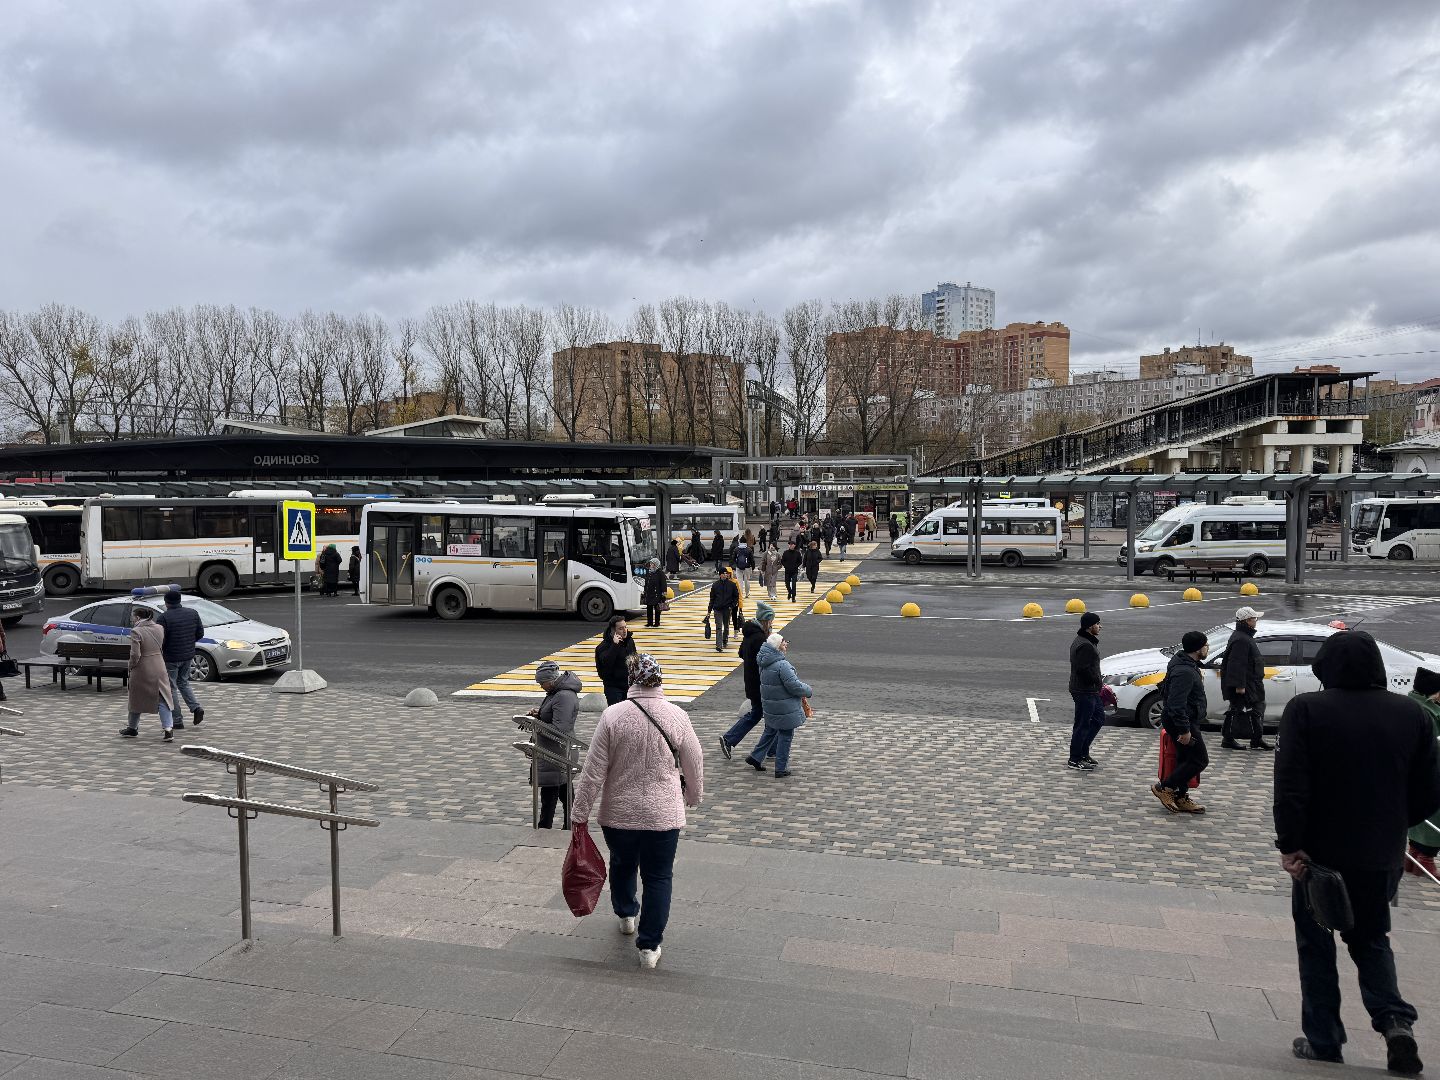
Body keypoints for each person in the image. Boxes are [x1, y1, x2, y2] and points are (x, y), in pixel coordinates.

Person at [1275, 631, 1440, 1074]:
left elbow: (1291, 787)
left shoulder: (1306, 710)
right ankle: (1395, 1024)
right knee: (1371, 940)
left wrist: (1290, 845)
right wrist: (1393, 825)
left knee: (1316, 944)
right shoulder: (1412, 714)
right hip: (1380, 853)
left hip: (1319, 855)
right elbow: (1428, 794)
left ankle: (1324, 1039)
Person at [571, 654, 703, 969]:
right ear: (659, 679)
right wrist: (694, 795)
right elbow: (694, 762)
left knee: (622, 863)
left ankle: (626, 912)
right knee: (659, 876)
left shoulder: (613, 716)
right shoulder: (677, 715)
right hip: (663, 816)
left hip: (619, 813)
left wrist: (580, 813)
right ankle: (649, 947)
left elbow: (593, 771)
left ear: (631, 678)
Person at [1150, 631, 1211, 813]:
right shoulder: (1184, 671)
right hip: (1181, 721)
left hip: (1184, 718)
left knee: (1185, 759)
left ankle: (1181, 796)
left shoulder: (1186, 663)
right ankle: (1165, 788)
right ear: (1198, 648)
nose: (1208, 648)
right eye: (1206, 645)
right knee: (1199, 760)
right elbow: (1177, 704)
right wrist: (1184, 730)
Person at [746, 632, 812, 779]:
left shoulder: (764, 663)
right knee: (786, 735)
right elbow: (794, 686)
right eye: (783, 643)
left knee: (770, 731)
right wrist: (808, 690)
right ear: (777, 647)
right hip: (784, 707)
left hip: (771, 705)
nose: (786, 644)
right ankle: (780, 768)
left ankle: (755, 757)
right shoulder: (782, 665)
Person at [719, 601, 775, 759]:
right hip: (759, 684)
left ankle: (771, 749)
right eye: (770, 621)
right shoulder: (759, 638)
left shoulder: (750, 634)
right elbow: (765, 661)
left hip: (751, 682)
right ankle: (729, 739)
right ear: (765, 621)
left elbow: (741, 653)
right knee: (769, 716)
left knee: (762, 714)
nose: (771, 624)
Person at [529, 660, 580, 829]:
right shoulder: (556, 693)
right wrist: (539, 715)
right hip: (556, 753)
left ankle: (547, 828)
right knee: (561, 793)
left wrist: (536, 725)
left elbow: (560, 729)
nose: (540, 686)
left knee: (552, 794)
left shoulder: (563, 696)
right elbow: (554, 718)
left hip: (557, 753)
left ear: (550, 680)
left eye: (541, 682)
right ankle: (568, 826)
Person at [1220, 605, 1274, 751]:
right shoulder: (1242, 639)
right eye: (1254, 618)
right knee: (1248, 710)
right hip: (1246, 685)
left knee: (1253, 709)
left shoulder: (1244, 636)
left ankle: (1255, 739)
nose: (1256, 621)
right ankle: (1230, 739)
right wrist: (1240, 686)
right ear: (1247, 620)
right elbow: (1237, 664)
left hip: (1251, 683)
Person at [119, 607, 176, 741]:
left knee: (135, 697)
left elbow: (135, 654)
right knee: (163, 697)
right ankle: (168, 729)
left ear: (138, 618)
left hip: (143, 667)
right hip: (159, 664)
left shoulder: (136, 631)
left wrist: (131, 666)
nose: (132, 620)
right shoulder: (159, 628)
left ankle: (132, 728)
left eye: (133, 617)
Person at [1405, 666, 1440, 882]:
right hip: (1431, 771)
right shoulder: (1429, 712)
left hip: (1417, 772)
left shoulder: (1416, 706)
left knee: (1421, 815)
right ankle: (1425, 859)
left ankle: (1413, 857)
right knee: (1434, 814)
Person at [155, 589, 204, 730]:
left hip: (171, 657)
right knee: (184, 682)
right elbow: (200, 633)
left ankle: (177, 720)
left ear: (166, 602)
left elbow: (160, 640)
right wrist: (188, 643)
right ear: (179, 600)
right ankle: (196, 708)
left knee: (171, 687)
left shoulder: (164, 618)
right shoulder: (193, 613)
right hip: (188, 655)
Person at [1067, 612, 1104, 771]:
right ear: (1090, 626)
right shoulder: (1085, 645)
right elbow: (1082, 669)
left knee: (1098, 718)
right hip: (1084, 690)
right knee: (1083, 724)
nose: (1100, 626)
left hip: (1089, 690)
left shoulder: (1085, 641)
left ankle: (1083, 752)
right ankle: (1075, 759)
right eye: (1097, 624)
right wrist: (1096, 680)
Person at [594, 615, 637, 706]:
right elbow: (606, 663)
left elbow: (634, 658)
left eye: (625, 627)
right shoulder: (603, 646)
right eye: (621, 628)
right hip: (613, 687)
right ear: (613, 630)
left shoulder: (629, 641)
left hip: (629, 685)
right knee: (616, 716)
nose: (625, 630)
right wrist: (615, 645)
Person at [708, 567, 740, 652]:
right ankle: (719, 645)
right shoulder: (715, 585)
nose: (726, 574)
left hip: (727, 609)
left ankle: (725, 640)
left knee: (726, 627)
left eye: (727, 573)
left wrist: (732, 606)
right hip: (717, 609)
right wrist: (709, 611)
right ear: (720, 574)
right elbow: (712, 599)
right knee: (719, 627)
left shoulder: (732, 585)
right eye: (724, 573)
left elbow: (736, 596)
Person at [642, 558, 667, 629]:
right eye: (650, 563)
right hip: (649, 593)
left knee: (657, 609)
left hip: (657, 594)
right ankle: (649, 622)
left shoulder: (660, 573)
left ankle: (657, 623)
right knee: (649, 608)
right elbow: (646, 583)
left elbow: (663, 584)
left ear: (655, 565)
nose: (650, 565)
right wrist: (644, 591)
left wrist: (663, 594)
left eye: (652, 564)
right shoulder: (649, 572)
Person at [734, 531, 753, 597]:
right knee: (747, 580)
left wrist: (735, 565)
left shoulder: (736, 549)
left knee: (739, 581)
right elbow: (752, 559)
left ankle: (740, 593)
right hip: (747, 567)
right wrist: (752, 567)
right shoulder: (749, 549)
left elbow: (733, 558)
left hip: (738, 567)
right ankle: (747, 593)